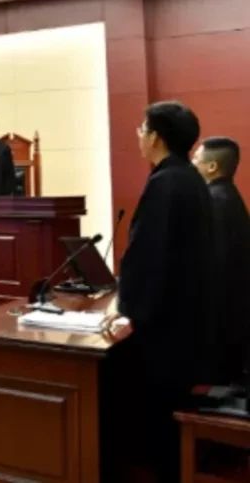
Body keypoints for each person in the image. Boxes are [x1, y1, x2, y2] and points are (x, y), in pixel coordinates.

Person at [104, 101, 214, 481]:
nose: (138, 134)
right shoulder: (187, 177)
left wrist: (128, 311)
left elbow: (151, 255)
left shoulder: (166, 182)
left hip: (167, 331)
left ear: (155, 137)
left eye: (141, 128)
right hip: (186, 319)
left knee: (153, 414)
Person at [192, 136, 250, 383]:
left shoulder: (213, 202)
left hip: (220, 323)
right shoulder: (229, 196)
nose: (192, 163)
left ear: (212, 166)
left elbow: (213, 266)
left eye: (196, 159)